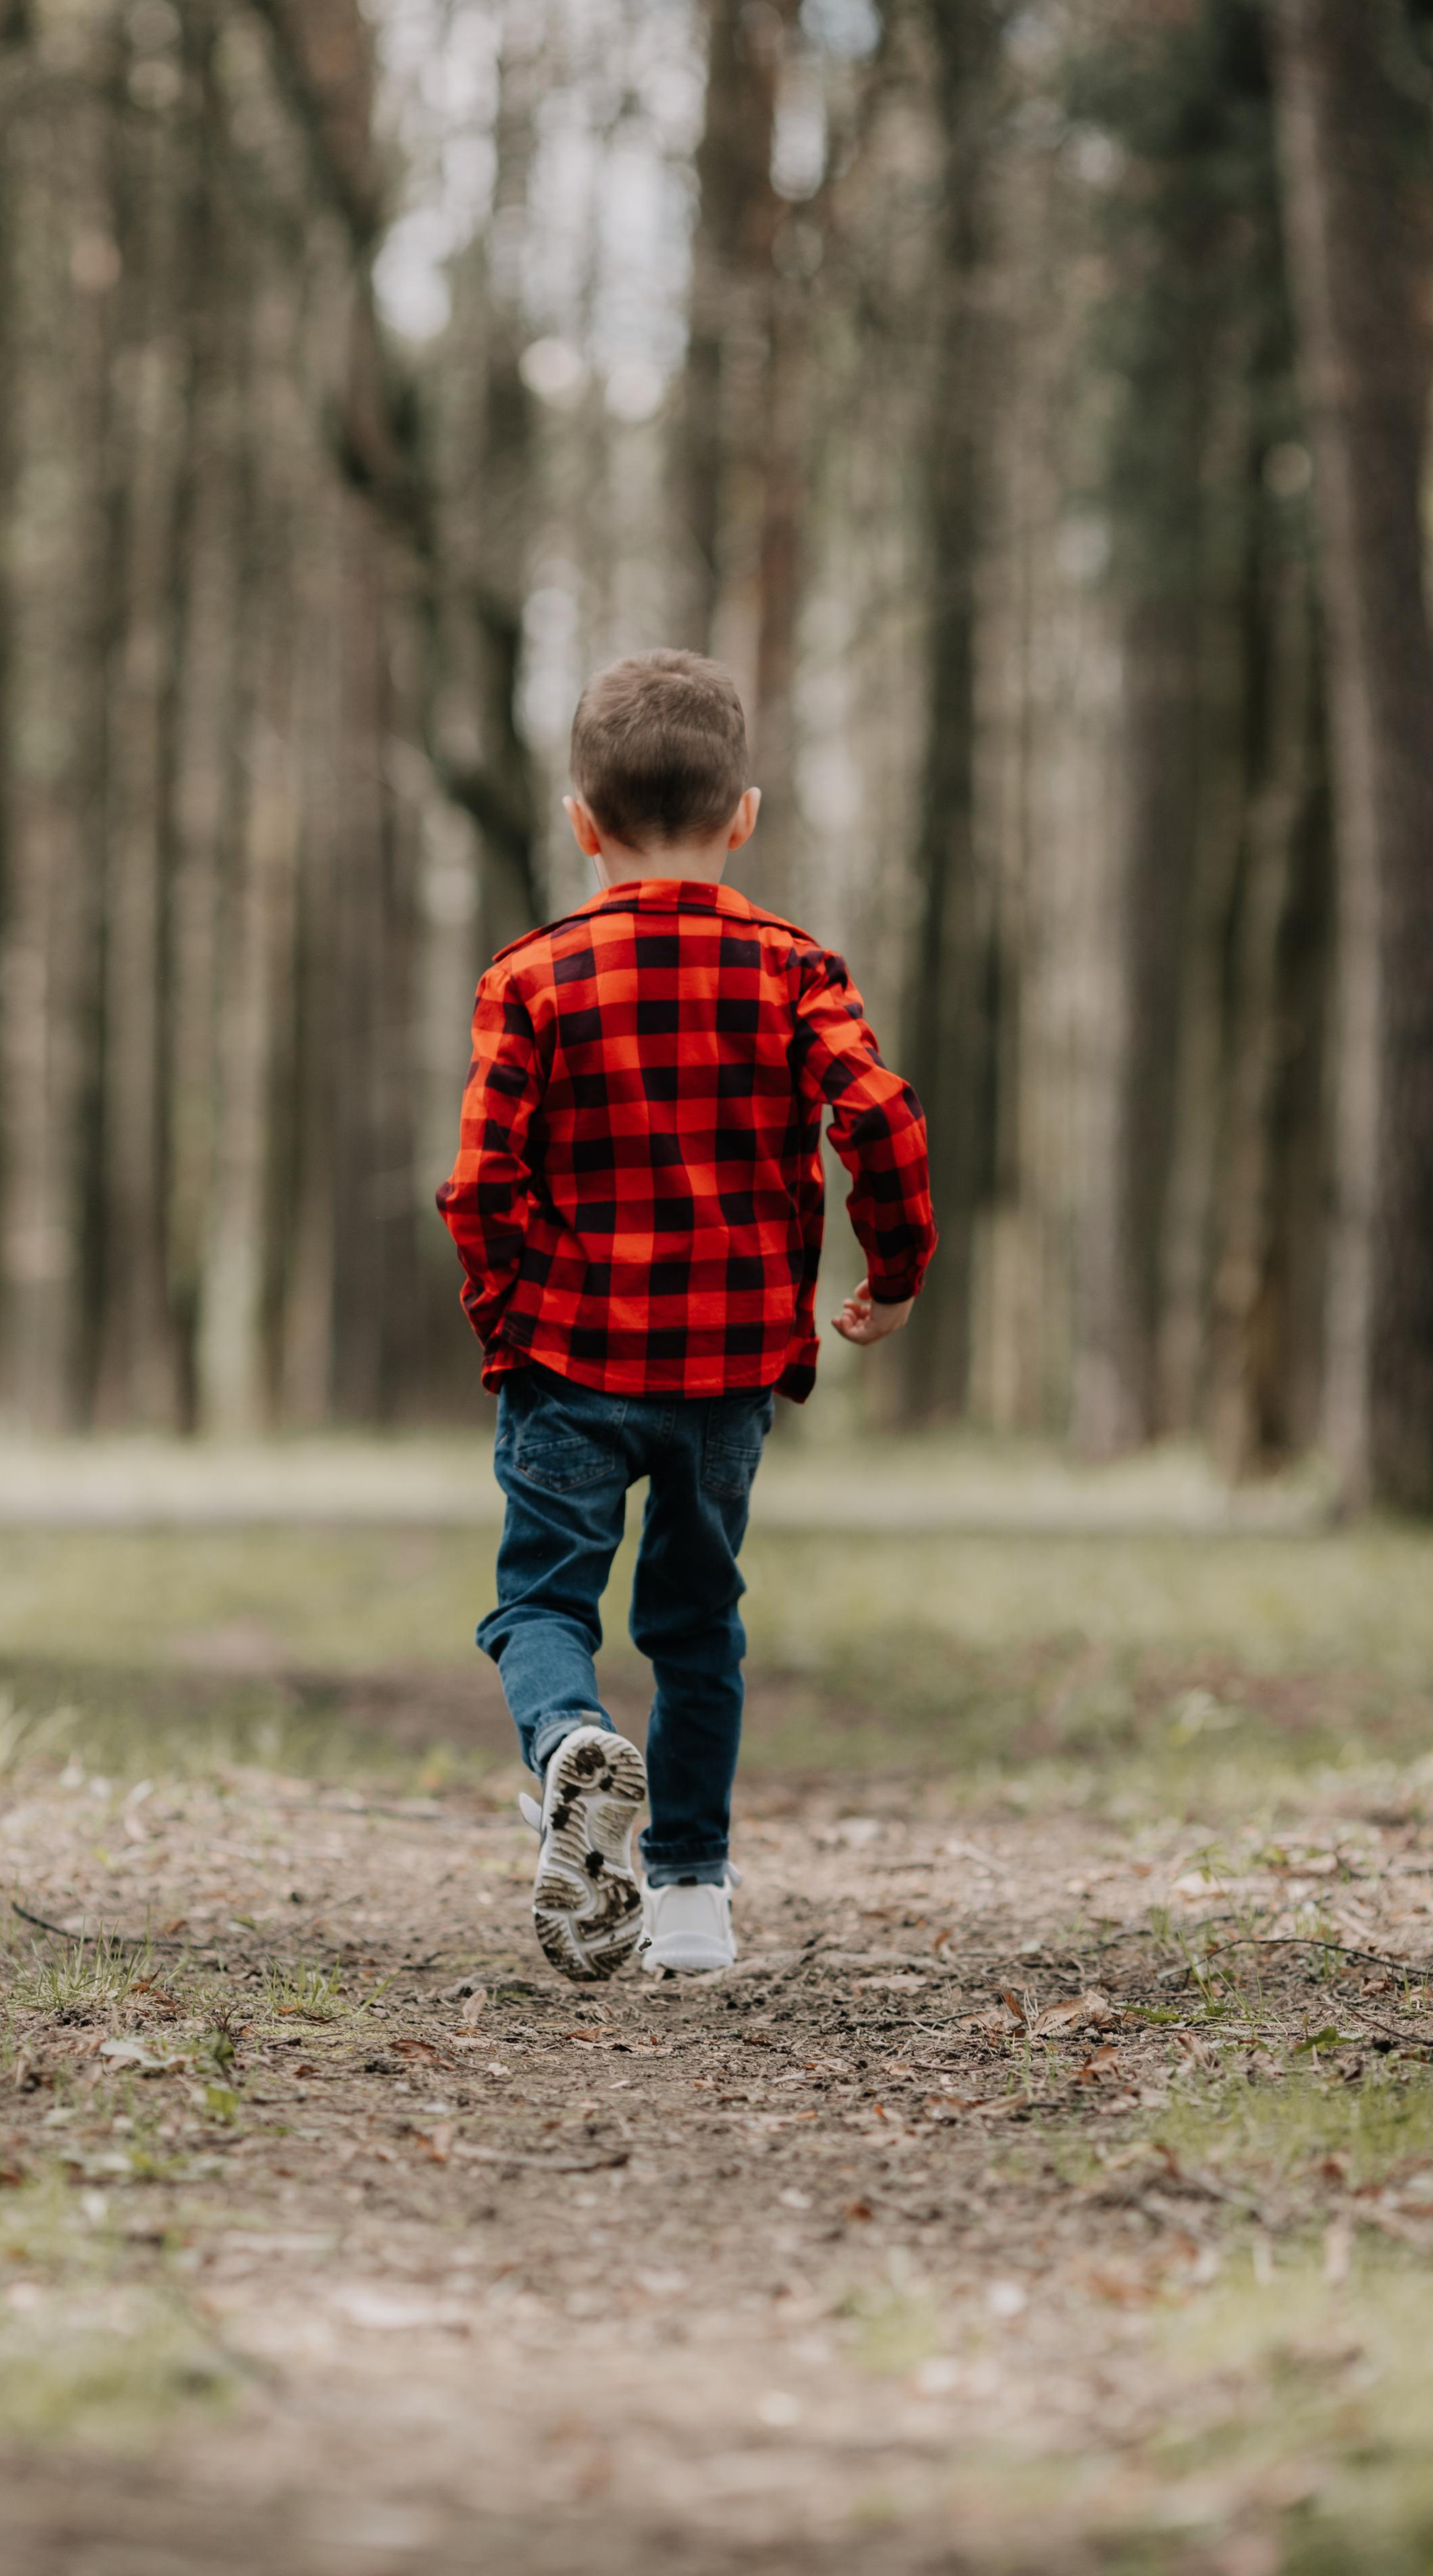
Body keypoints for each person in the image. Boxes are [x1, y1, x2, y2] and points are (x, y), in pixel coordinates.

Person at [436, 649, 936, 1981]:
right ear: (746, 815)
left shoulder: (530, 980)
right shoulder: (791, 970)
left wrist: (514, 1318)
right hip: (723, 1371)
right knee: (698, 1622)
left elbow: (481, 1179)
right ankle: (695, 1900)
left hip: (569, 1355)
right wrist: (893, 1271)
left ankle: (566, 1750)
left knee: (540, 1602)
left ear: (580, 825)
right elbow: (878, 1114)